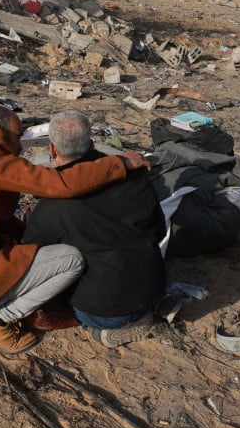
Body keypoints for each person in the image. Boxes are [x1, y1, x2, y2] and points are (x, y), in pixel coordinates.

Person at [0, 105, 151, 355]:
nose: (20, 146)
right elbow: (59, 183)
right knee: (71, 260)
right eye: (18, 136)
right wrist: (119, 162)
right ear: (0, 132)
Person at [22, 111, 166, 347]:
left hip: (106, 311)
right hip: (154, 288)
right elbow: (159, 231)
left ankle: (104, 328)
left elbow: (31, 259)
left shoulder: (51, 204)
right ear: (91, 144)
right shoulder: (134, 175)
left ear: (52, 149)